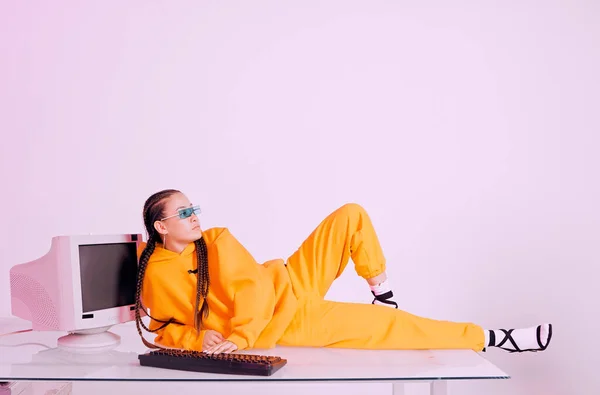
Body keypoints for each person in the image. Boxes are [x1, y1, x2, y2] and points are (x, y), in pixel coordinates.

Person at [134, 189, 553, 355]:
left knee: (350, 215)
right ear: (161, 226)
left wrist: (238, 336)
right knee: (390, 330)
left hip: (287, 281)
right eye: (183, 212)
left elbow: (252, 291)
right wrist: (199, 336)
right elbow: (165, 328)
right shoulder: (151, 271)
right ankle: (493, 338)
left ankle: (382, 292)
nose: (194, 216)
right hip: (285, 321)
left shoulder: (217, 238)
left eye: (194, 209)